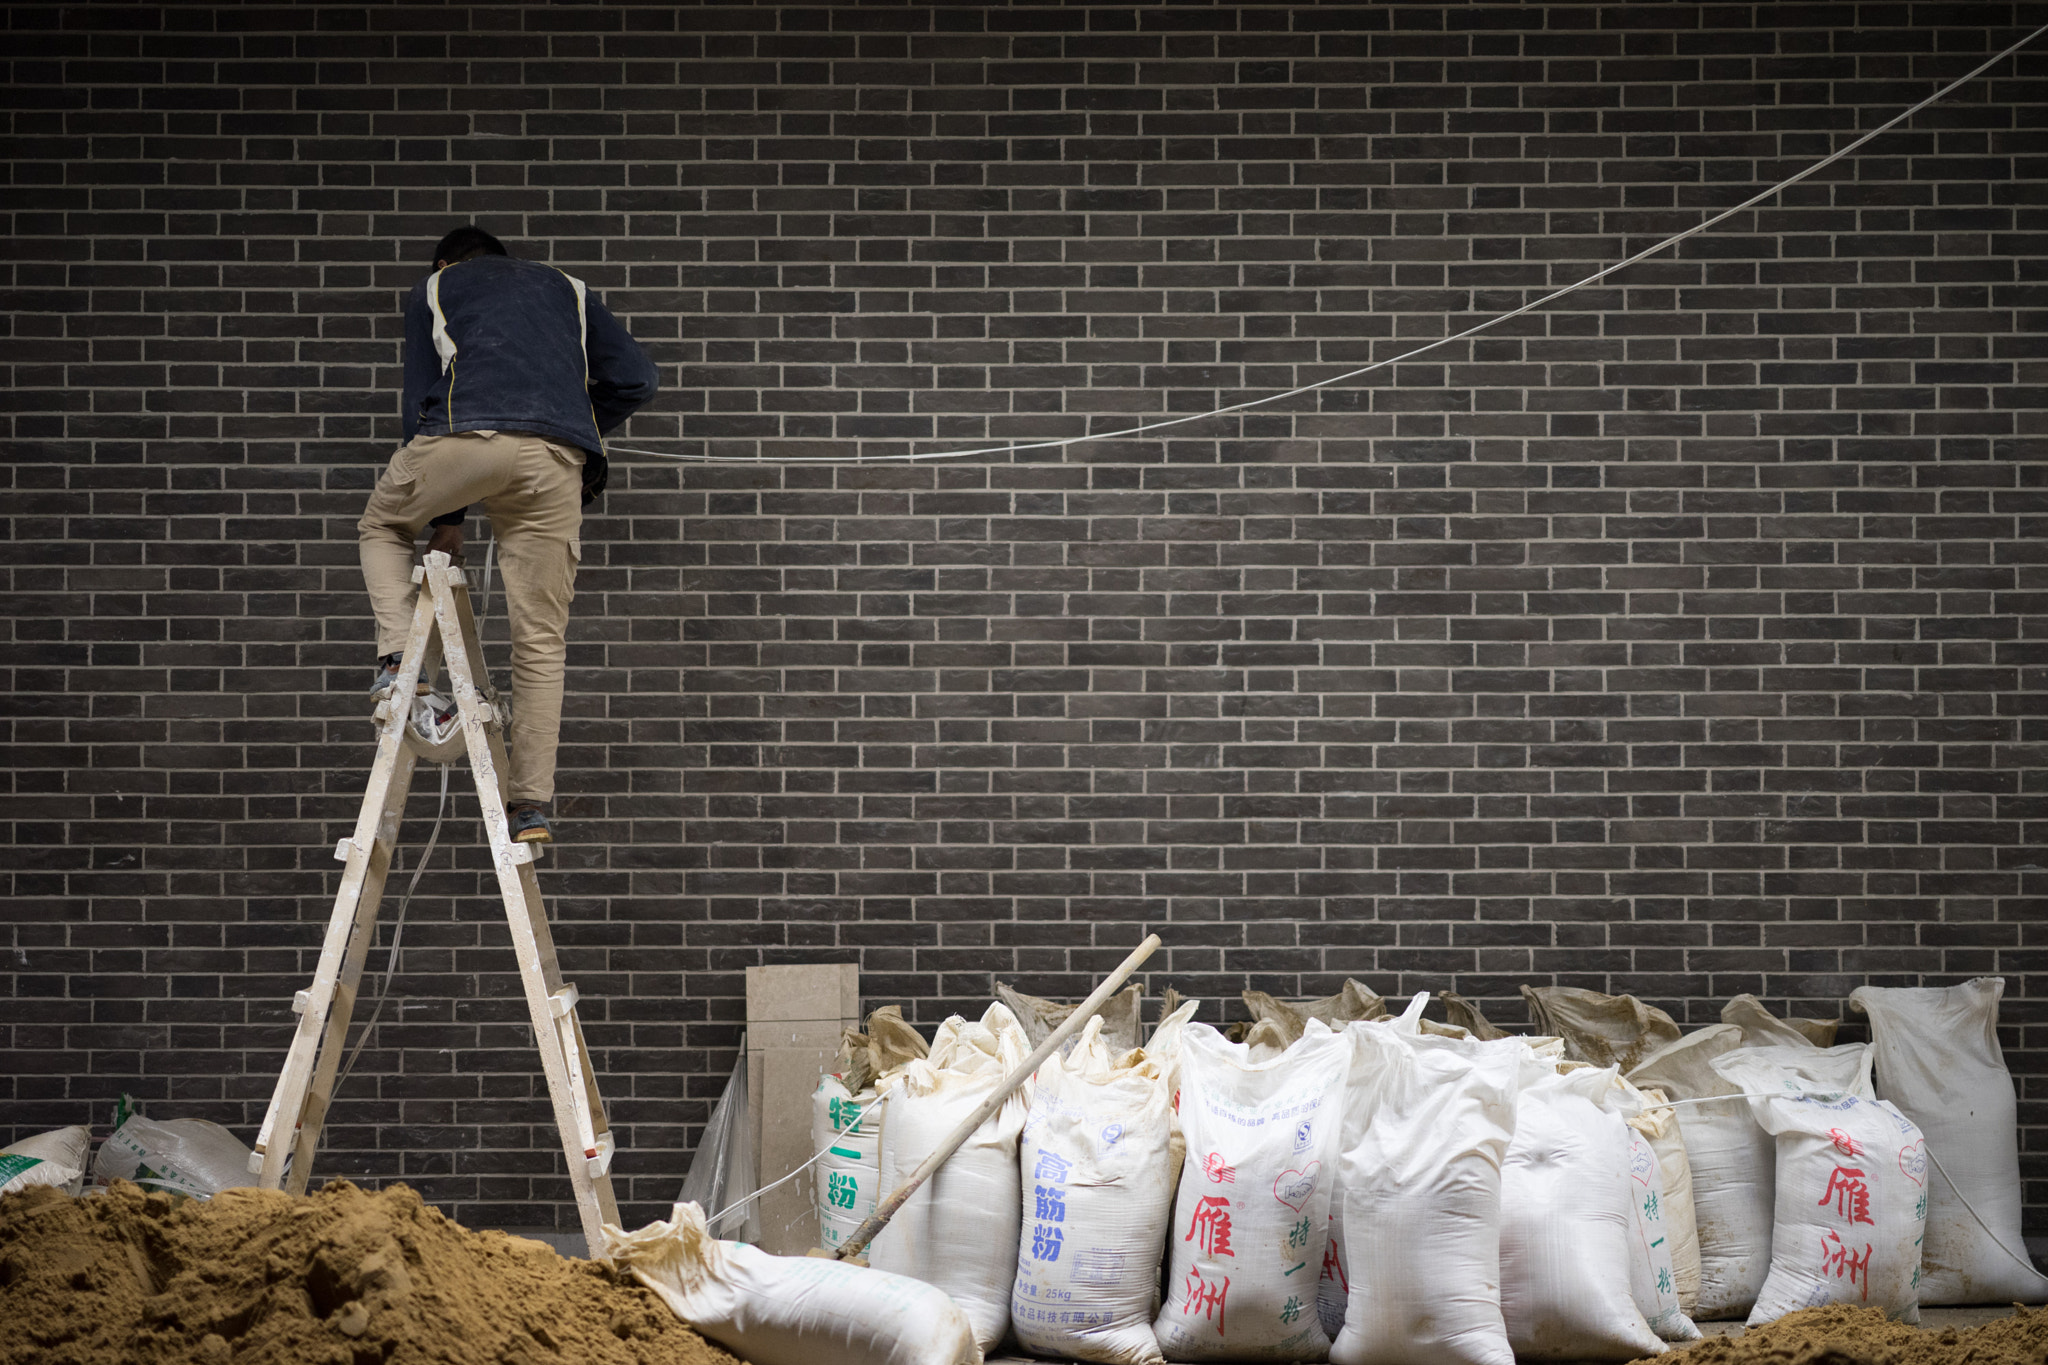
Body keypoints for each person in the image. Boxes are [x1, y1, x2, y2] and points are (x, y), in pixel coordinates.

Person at [357, 227, 658, 844]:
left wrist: (448, 521)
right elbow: (638, 379)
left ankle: (401, 666)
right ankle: (530, 806)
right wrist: (570, 419)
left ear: (446, 262)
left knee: (383, 525)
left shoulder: (435, 288)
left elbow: (420, 403)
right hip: (556, 459)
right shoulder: (568, 289)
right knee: (541, 641)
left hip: (462, 441)